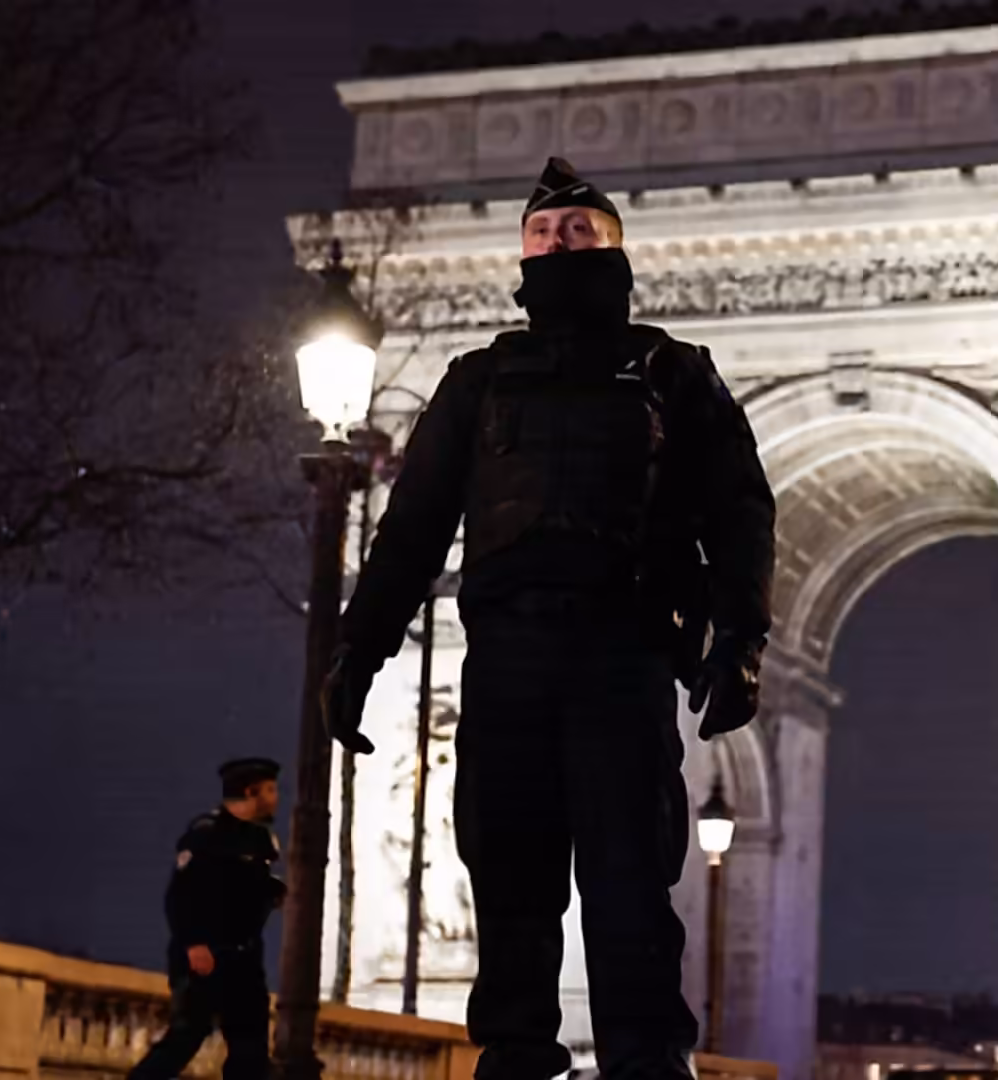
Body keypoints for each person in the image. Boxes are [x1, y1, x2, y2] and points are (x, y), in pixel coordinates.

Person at [321, 157, 778, 1080]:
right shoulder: (475, 378)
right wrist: (359, 651)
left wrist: (742, 638)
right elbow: (410, 532)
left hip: (625, 647)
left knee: (629, 882)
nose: (558, 246)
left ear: (616, 248)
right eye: (541, 235)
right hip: (511, 655)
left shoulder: (677, 372)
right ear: (521, 258)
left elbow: (741, 511)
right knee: (509, 872)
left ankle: (649, 1061)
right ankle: (516, 1059)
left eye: (578, 231)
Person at [127, 758, 285, 1080]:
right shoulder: (206, 834)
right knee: (185, 1038)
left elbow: (245, 892)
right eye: (270, 790)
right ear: (250, 791)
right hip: (206, 957)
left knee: (250, 1053)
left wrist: (273, 892)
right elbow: (181, 897)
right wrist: (194, 943)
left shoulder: (261, 841)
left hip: (244, 961)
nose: (276, 797)